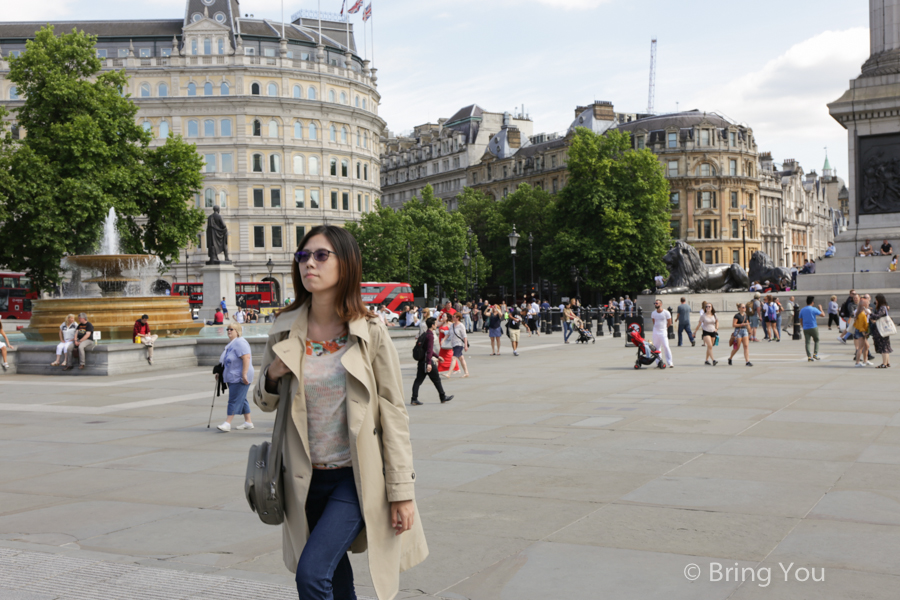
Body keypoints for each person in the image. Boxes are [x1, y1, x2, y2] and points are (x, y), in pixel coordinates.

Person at [253, 225, 427, 598]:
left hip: (355, 477)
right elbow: (264, 402)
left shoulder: (370, 332)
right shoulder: (283, 330)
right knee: (336, 579)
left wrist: (402, 491)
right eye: (303, 256)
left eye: (320, 255)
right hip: (303, 478)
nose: (308, 264)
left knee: (311, 575)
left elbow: (394, 412)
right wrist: (271, 375)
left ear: (345, 264)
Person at [216, 323, 254, 431]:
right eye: (227, 329)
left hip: (239, 377)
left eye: (231, 329)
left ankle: (227, 423)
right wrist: (220, 372)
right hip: (233, 376)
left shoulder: (240, 343)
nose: (228, 331)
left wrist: (244, 374)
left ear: (237, 331)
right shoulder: (232, 343)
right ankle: (248, 422)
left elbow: (246, 358)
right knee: (242, 398)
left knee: (233, 399)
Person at [411, 317, 453, 405]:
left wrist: (438, 357)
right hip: (427, 362)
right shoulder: (430, 335)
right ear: (433, 325)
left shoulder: (426, 333)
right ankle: (442, 397)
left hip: (422, 361)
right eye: (436, 323)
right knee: (436, 379)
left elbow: (427, 349)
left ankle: (414, 399)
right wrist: (429, 363)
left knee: (418, 380)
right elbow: (429, 351)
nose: (437, 324)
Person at [798, 296, 825, 361]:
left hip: (806, 328)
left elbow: (800, 319)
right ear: (812, 302)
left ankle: (809, 356)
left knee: (807, 342)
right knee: (816, 340)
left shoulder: (802, 309)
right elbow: (823, 315)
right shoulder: (814, 309)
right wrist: (821, 309)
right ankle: (815, 354)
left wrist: (802, 326)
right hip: (813, 327)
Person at [871, 293, 892, 368]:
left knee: (884, 347)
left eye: (876, 300)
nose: (875, 301)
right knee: (885, 345)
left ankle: (884, 364)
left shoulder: (882, 307)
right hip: (884, 329)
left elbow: (878, 316)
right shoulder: (884, 307)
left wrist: (870, 313)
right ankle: (887, 362)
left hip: (882, 330)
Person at [650, 299, 674, 368]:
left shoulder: (666, 312)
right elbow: (654, 322)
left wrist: (665, 328)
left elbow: (669, 322)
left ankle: (670, 362)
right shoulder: (653, 313)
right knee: (657, 347)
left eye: (657, 303)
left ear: (661, 304)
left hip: (663, 331)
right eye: (655, 303)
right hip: (655, 332)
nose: (655, 304)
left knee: (666, 346)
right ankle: (659, 362)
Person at [445, 312, 469, 376]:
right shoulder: (452, 325)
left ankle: (449, 373)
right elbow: (448, 334)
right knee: (461, 358)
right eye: (453, 316)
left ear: (458, 318)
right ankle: (466, 373)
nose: (452, 317)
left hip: (459, 344)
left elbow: (465, 336)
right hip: (453, 344)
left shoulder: (461, 325)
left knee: (453, 358)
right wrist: (443, 340)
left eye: (454, 316)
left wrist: (465, 345)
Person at [853, 294, 874, 367]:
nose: (869, 304)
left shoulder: (861, 312)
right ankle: (857, 362)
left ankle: (865, 360)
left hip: (860, 331)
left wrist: (867, 315)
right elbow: (861, 325)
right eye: (867, 303)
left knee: (866, 346)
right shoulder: (861, 313)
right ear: (864, 305)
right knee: (861, 348)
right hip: (861, 332)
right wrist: (864, 333)